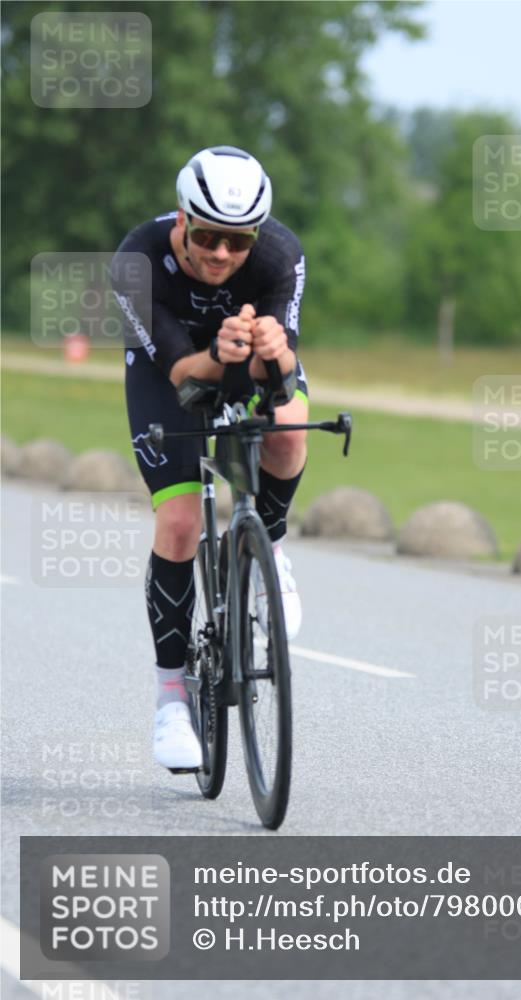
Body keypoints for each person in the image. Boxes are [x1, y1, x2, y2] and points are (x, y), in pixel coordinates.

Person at [112, 146, 308, 771]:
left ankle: (269, 546)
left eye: (238, 241)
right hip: (170, 373)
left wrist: (274, 357)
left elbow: (277, 384)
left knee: (289, 426)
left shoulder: (281, 256)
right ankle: (171, 696)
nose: (221, 254)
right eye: (207, 236)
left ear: (258, 235)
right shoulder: (138, 262)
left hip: (242, 361)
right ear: (181, 220)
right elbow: (187, 382)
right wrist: (224, 356)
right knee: (178, 525)